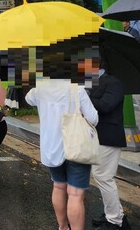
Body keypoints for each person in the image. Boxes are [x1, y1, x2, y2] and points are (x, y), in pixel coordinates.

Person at [26, 78, 98, 230]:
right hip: (77, 146)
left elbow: (28, 98)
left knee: (58, 186)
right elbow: (93, 118)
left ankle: (63, 227)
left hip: (51, 148)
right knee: (76, 194)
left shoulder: (40, 90)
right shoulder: (77, 90)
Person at [89, 59, 129, 230]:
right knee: (102, 177)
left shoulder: (115, 83)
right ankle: (115, 215)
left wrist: (85, 97)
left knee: (104, 177)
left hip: (109, 137)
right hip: (97, 136)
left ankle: (115, 221)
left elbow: (105, 105)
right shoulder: (91, 82)